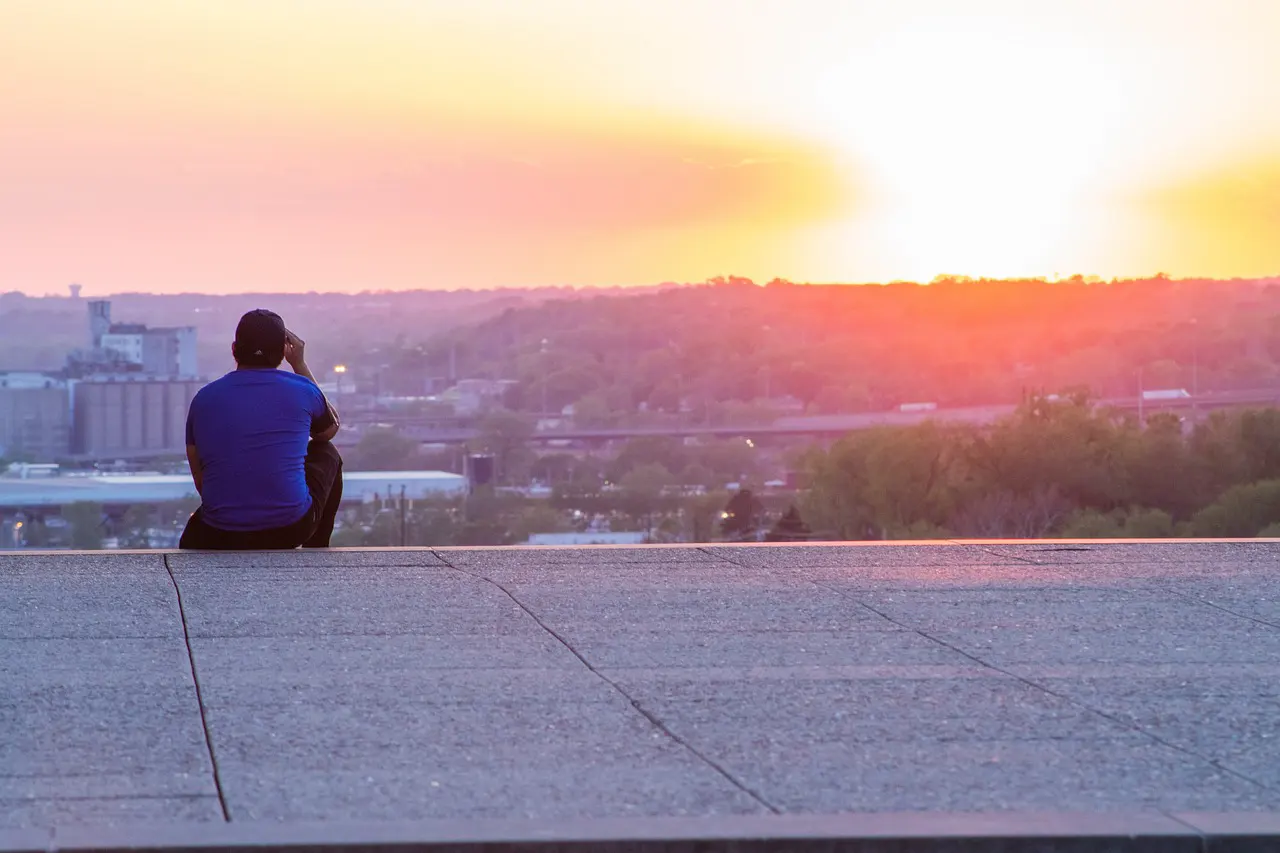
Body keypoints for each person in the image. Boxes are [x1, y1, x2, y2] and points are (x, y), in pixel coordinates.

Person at [179, 309, 343, 549]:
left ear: (234, 349)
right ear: (282, 354)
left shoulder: (204, 398)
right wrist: (299, 364)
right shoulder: (302, 389)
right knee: (327, 452)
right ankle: (316, 551)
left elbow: (200, 476)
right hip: (291, 529)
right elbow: (329, 431)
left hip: (220, 532)